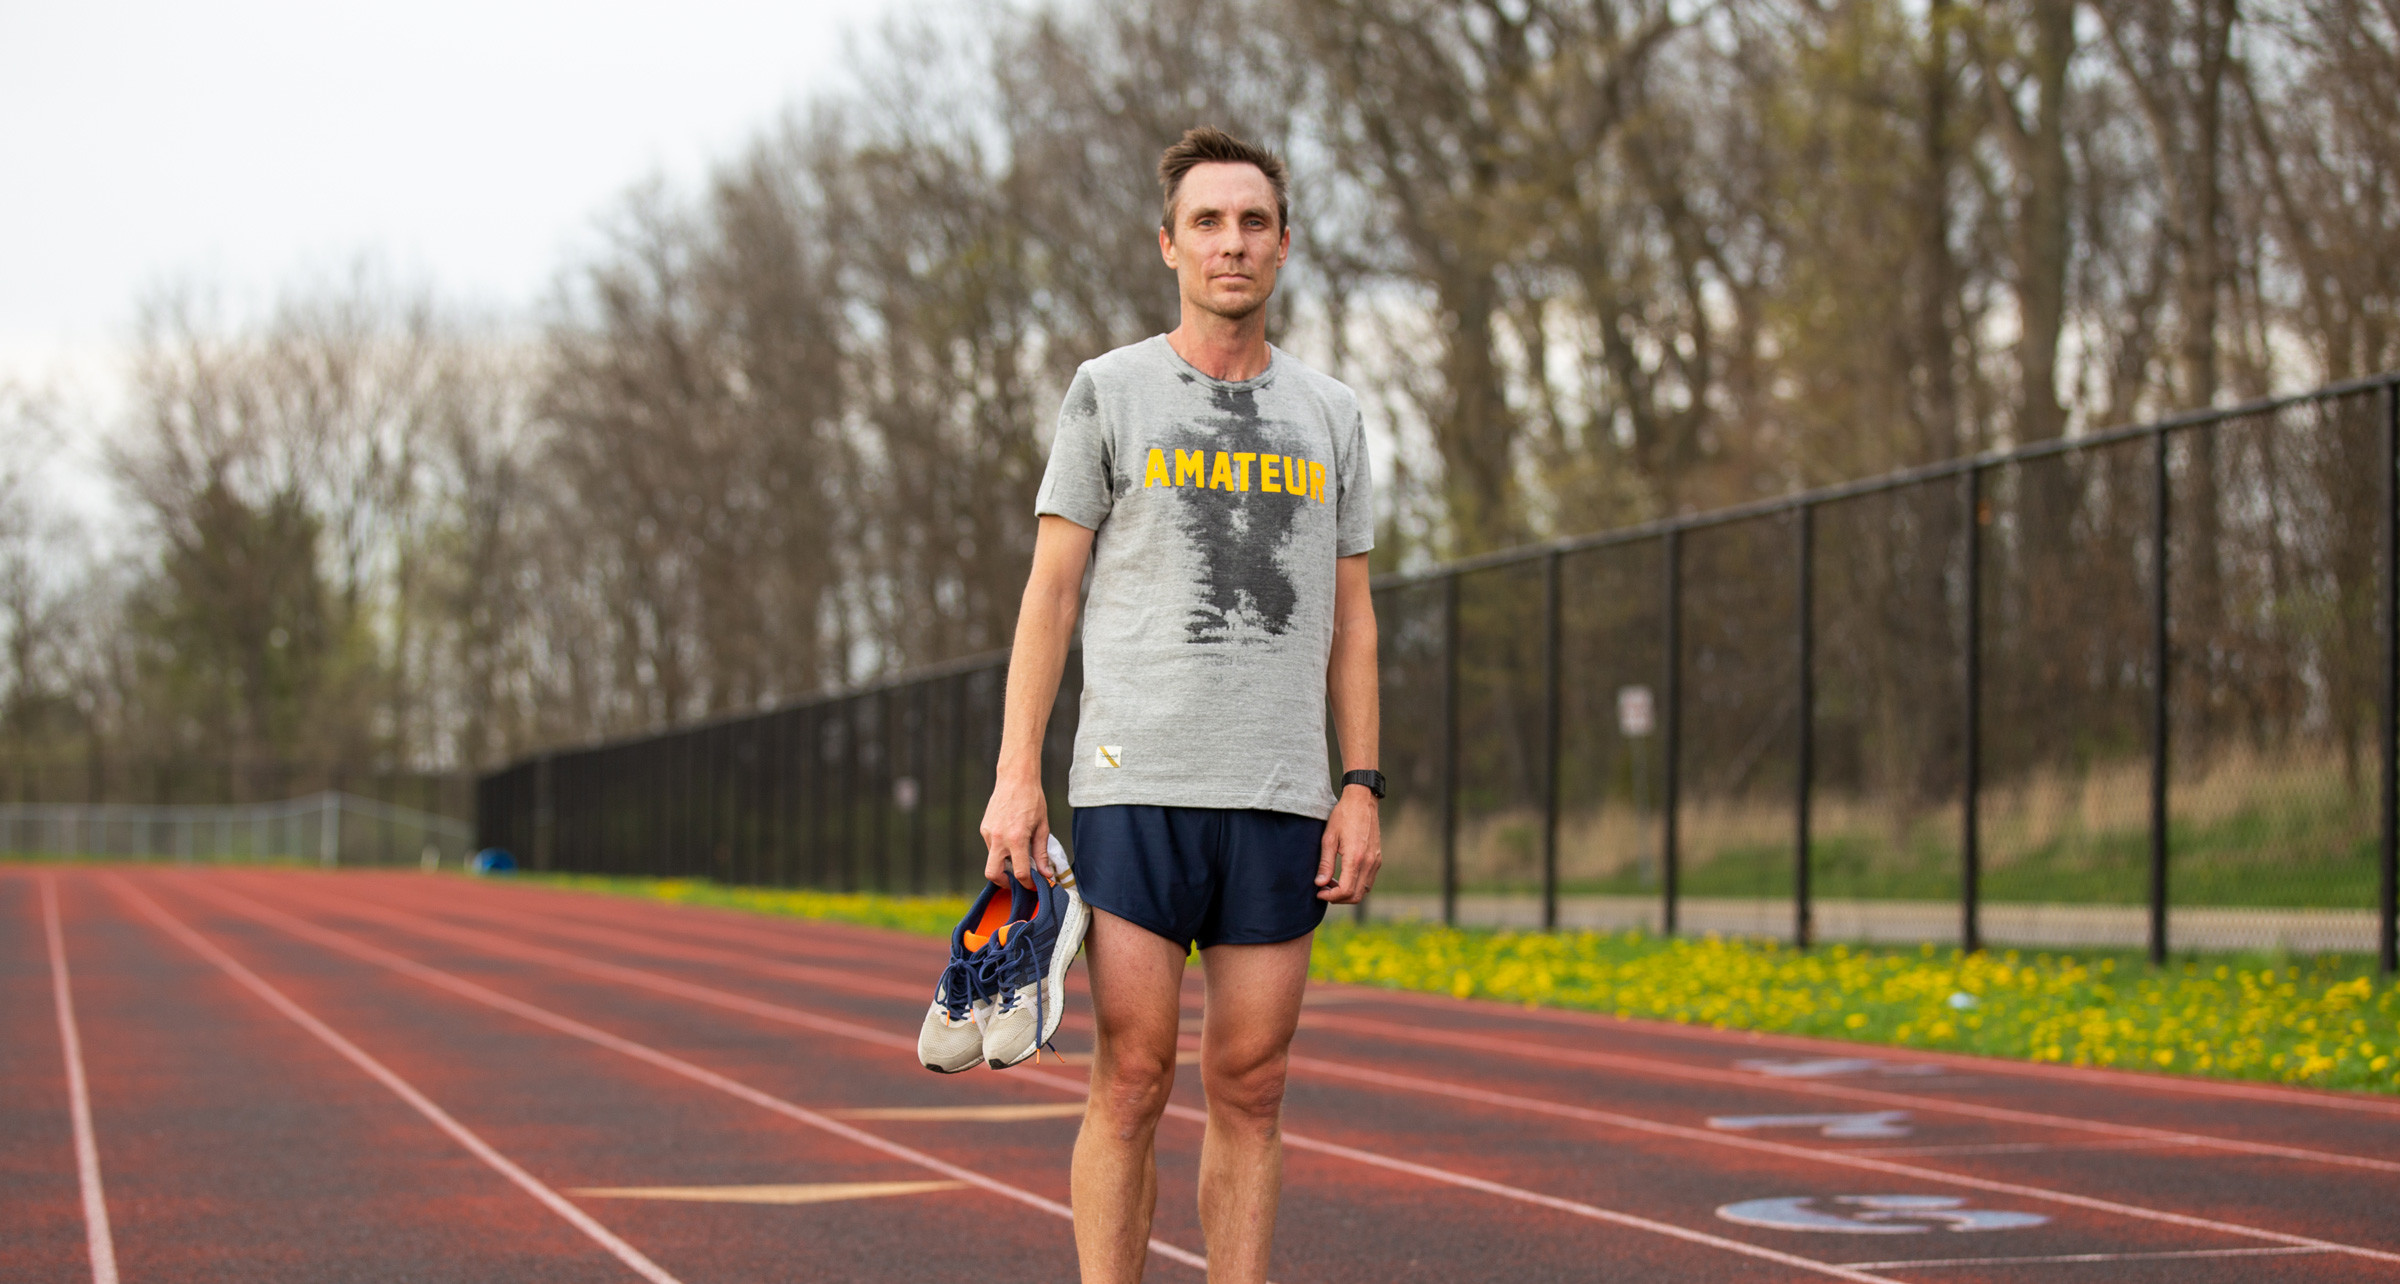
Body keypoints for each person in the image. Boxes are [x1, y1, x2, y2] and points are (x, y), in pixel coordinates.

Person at [978, 125, 1383, 1284]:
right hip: (1135, 784)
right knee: (1134, 1077)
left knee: (1253, 1085)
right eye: (1208, 222)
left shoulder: (1332, 414)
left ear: (1284, 245)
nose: (1231, 242)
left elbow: (1355, 618)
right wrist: (1016, 777)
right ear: (1169, 244)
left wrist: (1361, 784)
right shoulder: (1108, 392)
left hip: (1279, 791)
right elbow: (1051, 594)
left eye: (1253, 221)